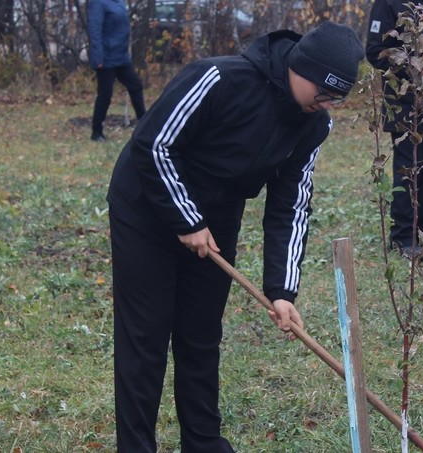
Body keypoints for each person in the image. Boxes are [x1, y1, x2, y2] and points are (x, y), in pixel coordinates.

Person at [106, 21, 364, 451]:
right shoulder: (219, 78)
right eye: (323, 92)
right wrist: (186, 218)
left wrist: (283, 290)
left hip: (218, 218)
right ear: (301, 69)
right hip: (147, 208)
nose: (326, 104)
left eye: (335, 97)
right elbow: (153, 146)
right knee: (145, 336)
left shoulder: (313, 125)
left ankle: (204, 443)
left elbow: (291, 205)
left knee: (201, 334)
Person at [366, 0, 423, 257]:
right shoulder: (387, 4)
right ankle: (404, 236)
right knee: (408, 168)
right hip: (403, 101)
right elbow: (375, 51)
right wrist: (413, 64)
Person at [87, 0, 146, 142]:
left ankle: (144, 126)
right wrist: (98, 57)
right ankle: (96, 133)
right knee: (105, 94)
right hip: (106, 58)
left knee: (136, 85)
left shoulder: (119, 2)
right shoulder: (98, 3)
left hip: (121, 57)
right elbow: (95, 30)